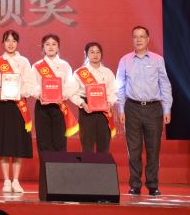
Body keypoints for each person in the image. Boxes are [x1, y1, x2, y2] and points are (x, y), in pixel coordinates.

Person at [116, 26, 172, 196]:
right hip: (132, 108)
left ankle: (153, 185)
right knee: (133, 150)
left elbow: (165, 84)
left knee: (153, 149)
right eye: (135, 36)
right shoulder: (125, 60)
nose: (138, 39)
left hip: (154, 109)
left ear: (148, 39)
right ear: (132, 39)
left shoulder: (157, 60)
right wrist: (121, 108)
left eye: (142, 36)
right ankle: (135, 185)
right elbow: (120, 86)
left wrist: (167, 108)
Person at [0, 30, 34, 194]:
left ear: (17, 43)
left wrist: (19, 93)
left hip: (18, 105)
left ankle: (16, 180)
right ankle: (6, 180)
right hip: (2, 105)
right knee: (4, 143)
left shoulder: (24, 62)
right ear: (3, 43)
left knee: (17, 143)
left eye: (14, 41)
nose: (11, 44)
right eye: (7, 40)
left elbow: (29, 84)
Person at [31, 34, 78, 152]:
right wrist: (39, 95)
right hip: (42, 107)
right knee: (43, 141)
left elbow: (70, 85)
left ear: (58, 47)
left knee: (59, 141)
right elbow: (32, 85)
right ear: (43, 47)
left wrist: (63, 95)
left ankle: (59, 165)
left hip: (59, 107)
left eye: (54, 44)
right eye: (47, 44)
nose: (51, 47)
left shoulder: (65, 65)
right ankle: (45, 165)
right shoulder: (36, 66)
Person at [70, 42, 117, 153]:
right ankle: (88, 165)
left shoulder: (108, 72)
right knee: (87, 146)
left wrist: (110, 103)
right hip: (87, 110)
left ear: (101, 54)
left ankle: (102, 165)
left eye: (98, 52)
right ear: (86, 54)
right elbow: (72, 93)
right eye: (92, 52)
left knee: (104, 146)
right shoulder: (79, 73)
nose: (95, 55)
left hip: (104, 111)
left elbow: (113, 91)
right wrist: (82, 104)